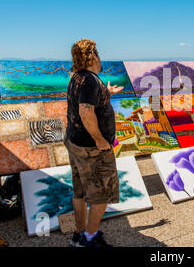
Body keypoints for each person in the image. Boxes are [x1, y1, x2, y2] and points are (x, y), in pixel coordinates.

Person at [64, 39, 123, 247]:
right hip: (92, 148)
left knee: (79, 191)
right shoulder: (89, 80)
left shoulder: (77, 77)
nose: (100, 57)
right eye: (97, 53)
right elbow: (86, 111)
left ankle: (79, 234)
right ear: (92, 57)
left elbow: (88, 103)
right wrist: (101, 141)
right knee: (102, 193)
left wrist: (107, 92)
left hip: (76, 142)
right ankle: (90, 238)